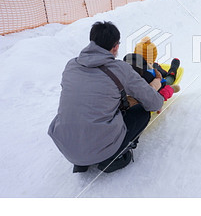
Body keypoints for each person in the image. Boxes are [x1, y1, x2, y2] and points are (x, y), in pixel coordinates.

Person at [48, 21, 164, 174]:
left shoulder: (71, 65)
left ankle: (82, 160)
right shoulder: (121, 69)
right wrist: (157, 83)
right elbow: (154, 103)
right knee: (141, 112)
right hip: (99, 148)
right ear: (115, 46)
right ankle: (112, 158)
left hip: (66, 146)